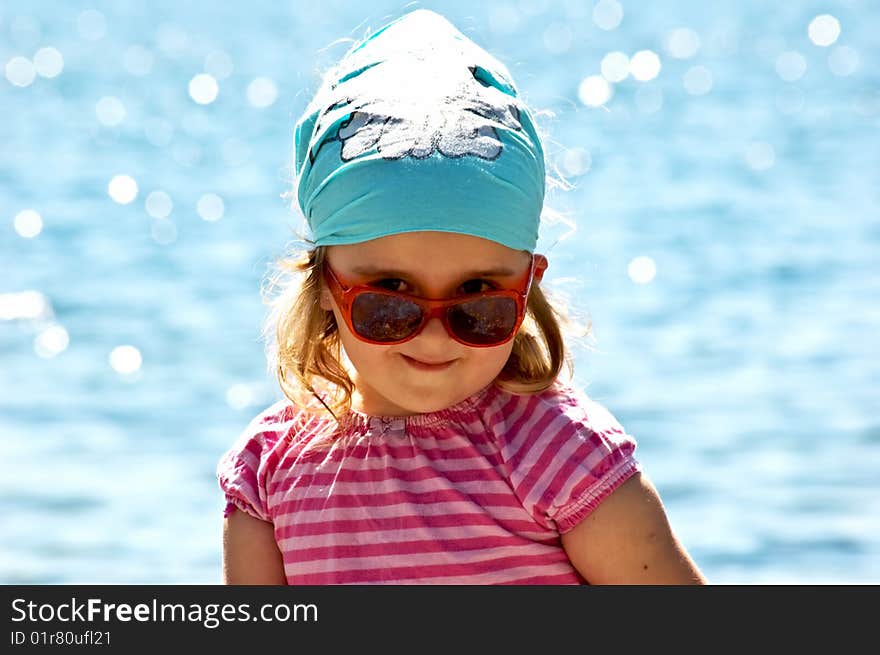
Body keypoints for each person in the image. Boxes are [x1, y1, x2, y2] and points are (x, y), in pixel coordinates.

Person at [217, 9, 706, 585]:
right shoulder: (270, 475)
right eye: (390, 298)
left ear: (527, 287)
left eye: (478, 300)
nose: (432, 334)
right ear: (324, 283)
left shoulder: (557, 454)